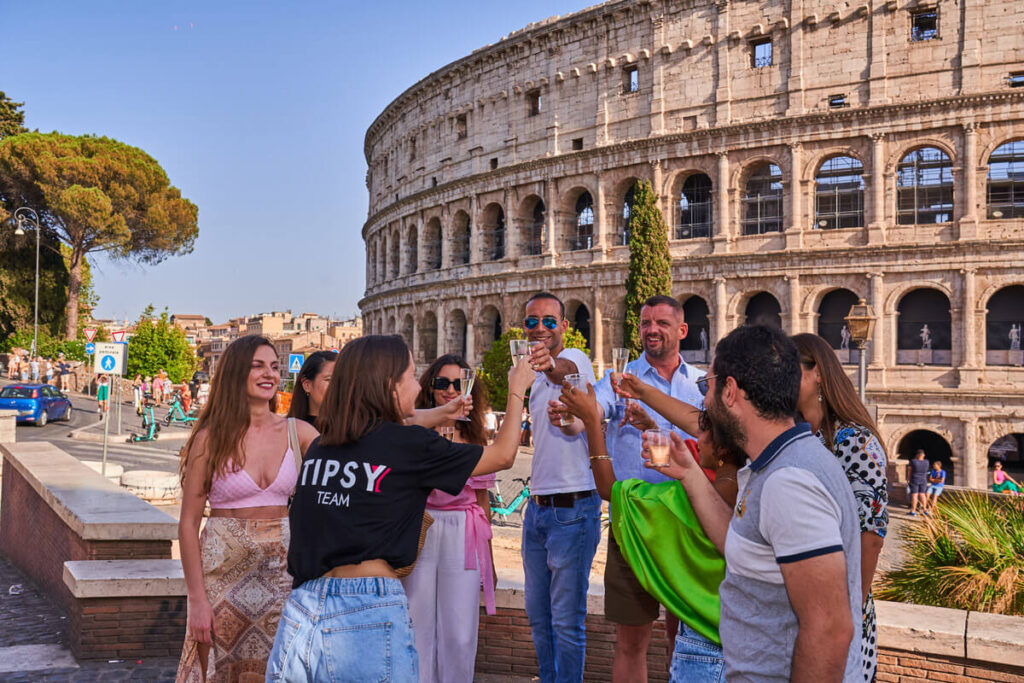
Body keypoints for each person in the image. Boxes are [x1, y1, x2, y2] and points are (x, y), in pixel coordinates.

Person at [265, 335, 533, 680]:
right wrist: (517, 390)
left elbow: (392, 429)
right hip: (366, 610)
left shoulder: (324, 443)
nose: (418, 385)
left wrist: (441, 412)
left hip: (303, 607)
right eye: (411, 376)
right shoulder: (410, 446)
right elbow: (503, 455)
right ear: (390, 385)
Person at [651, 325, 863, 682]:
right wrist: (689, 474)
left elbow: (829, 629)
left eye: (707, 386)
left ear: (730, 390)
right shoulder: (777, 464)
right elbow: (744, 545)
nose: (705, 401)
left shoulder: (788, 482)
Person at [560, 377, 743, 683]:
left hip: (705, 648)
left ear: (723, 446)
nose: (696, 438)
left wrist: (592, 422)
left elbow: (609, 488)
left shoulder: (690, 501)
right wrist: (652, 428)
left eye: (703, 431)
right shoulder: (748, 484)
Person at [175, 335, 319, 682]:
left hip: (282, 579)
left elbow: (351, 464)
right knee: (220, 673)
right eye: (258, 366)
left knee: (280, 671)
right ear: (236, 372)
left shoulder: (299, 433)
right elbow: (188, 524)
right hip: (221, 580)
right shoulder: (210, 438)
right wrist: (197, 600)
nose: (269, 374)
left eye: (274, 366)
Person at [587, 295, 704, 682]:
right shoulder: (619, 379)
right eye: (645, 323)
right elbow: (595, 407)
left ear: (682, 330)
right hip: (634, 522)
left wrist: (652, 426)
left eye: (661, 323)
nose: (651, 330)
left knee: (683, 638)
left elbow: (710, 444)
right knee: (630, 640)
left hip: (688, 523)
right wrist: (576, 413)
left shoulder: (701, 384)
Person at [792, 333, 889, 683]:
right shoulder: (798, 434)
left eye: (789, 369)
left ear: (817, 372)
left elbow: (871, 535)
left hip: (840, 612)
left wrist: (849, 612)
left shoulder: (855, 439)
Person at [402, 354, 501, 683]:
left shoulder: (475, 437)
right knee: (415, 622)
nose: (450, 390)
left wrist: (490, 563)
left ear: (470, 389)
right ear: (429, 387)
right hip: (421, 528)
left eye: (458, 384)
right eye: (442, 382)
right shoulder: (413, 433)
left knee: (459, 631)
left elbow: (483, 502)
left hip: (464, 532)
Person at [519, 291, 600, 683]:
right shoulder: (532, 379)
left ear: (564, 326)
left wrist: (550, 364)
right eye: (532, 321)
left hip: (572, 509)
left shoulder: (575, 361)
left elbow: (565, 374)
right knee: (539, 617)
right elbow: (571, 428)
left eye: (549, 321)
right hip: (537, 510)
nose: (540, 328)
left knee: (567, 622)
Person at [288, 350, 338, 426]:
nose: (337, 386)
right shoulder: (288, 429)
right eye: (329, 380)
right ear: (307, 385)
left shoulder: (350, 428)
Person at [907, 450, 930, 516]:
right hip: (923, 480)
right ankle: (925, 510)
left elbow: (909, 470)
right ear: (923, 455)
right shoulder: (927, 462)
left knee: (914, 495)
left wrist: (908, 479)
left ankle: (913, 511)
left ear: (917, 455)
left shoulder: (913, 461)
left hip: (915, 479)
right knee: (922, 494)